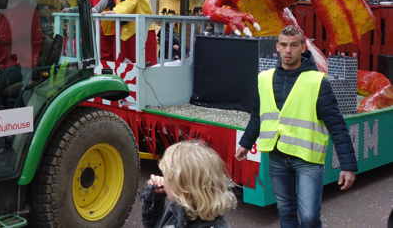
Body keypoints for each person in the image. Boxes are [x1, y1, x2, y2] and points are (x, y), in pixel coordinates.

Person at [236, 25, 357, 228]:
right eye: (283, 45)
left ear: (303, 47)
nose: (288, 50)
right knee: (285, 212)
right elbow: (258, 115)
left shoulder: (317, 82)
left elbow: (337, 126)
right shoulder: (264, 79)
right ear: (277, 47)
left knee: (309, 217)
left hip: (307, 159)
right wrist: (246, 143)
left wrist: (348, 165)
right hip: (277, 155)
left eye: (293, 45)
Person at [141, 140, 236, 228]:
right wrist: (155, 199)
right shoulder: (178, 206)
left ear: (182, 187)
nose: (163, 179)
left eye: (166, 176)